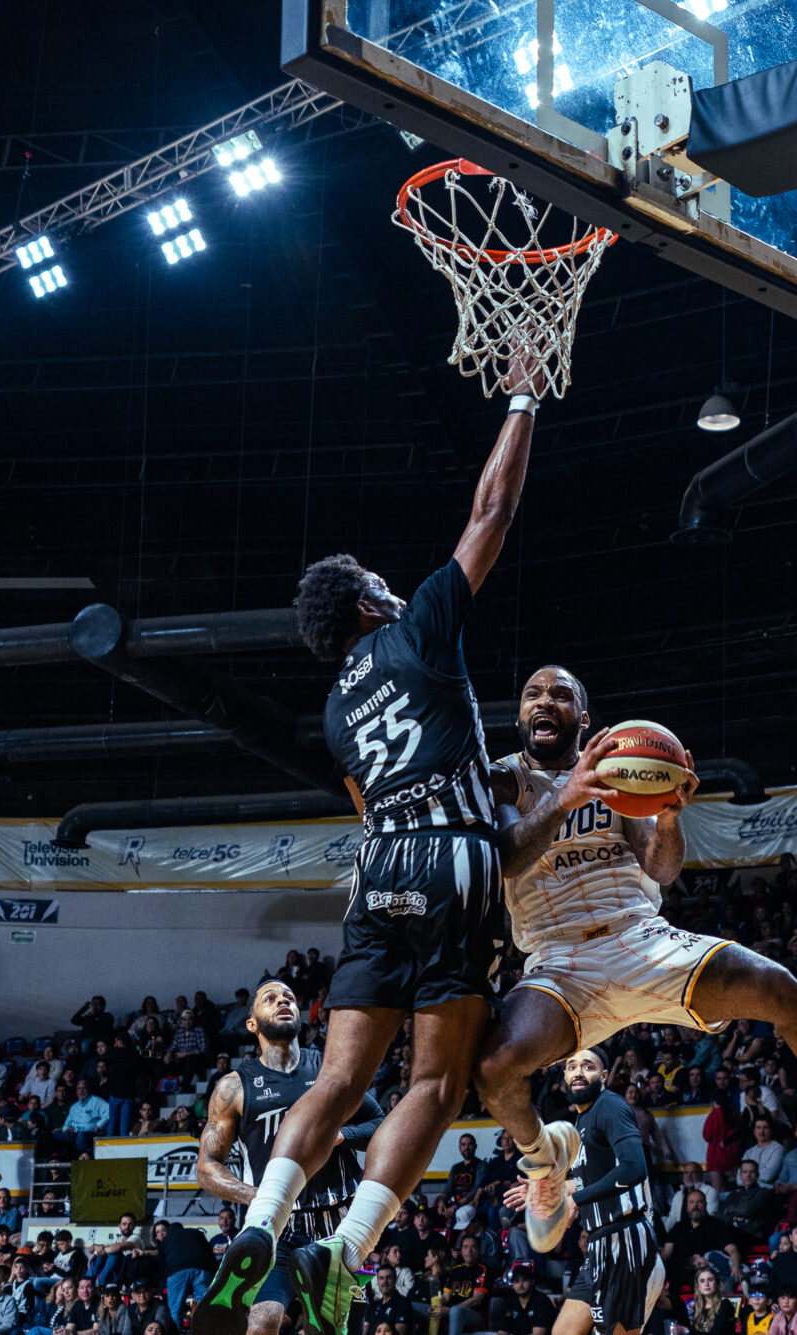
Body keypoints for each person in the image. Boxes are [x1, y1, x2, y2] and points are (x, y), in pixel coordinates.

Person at [192, 345, 548, 1335]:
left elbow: (366, 808)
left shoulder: (338, 715)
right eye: (383, 586)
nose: (399, 590)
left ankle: (262, 1224)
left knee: (340, 1078)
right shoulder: (418, 628)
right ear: (366, 607)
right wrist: (523, 396)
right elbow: (491, 517)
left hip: (378, 868)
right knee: (434, 1083)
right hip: (451, 859)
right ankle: (342, 1250)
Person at [474, 666, 797, 1255]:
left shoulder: (617, 775)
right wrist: (565, 797)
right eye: (532, 695)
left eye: (560, 695)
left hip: (640, 937)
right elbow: (505, 859)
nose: (543, 702)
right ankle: (543, 1162)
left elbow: (661, 868)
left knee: (777, 986)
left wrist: (671, 818)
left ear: (584, 717)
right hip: (559, 957)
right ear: (520, 715)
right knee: (495, 1067)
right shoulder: (501, 779)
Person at [193, 979, 383, 1335]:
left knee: (332, 1330)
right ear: (252, 1023)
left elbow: (382, 1126)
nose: (283, 1002)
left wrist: (342, 1135)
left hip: (337, 1225)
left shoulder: (332, 1070)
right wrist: (257, 1196)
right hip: (278, 1224)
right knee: (261, 1323)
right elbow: (206, 1167)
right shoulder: (233, 1086)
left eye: (290, 998)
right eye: (270, 999)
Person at [505, 1048, 664, 1335]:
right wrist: (549, 1187)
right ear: (564, 1077)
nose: (578, 1072)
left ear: (603, 1076)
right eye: (571, 1067)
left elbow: (633, 1168)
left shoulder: (610, 1107)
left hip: (626, 1242)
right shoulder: (582, 1122)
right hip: (599, 1246)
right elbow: (590, 1180)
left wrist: (572, 1201)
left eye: (588, 1066)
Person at [494, 1261, 555, 1335]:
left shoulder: (542, 1301)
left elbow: (538, 1334)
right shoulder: (509, 1302)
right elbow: (502, 1332)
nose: (521, 1285)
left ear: (532, 1281)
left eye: (525, 1280)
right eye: (516, 1281)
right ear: (512, 1284)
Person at [362, 1263, 413, 1335]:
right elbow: (365, 1330)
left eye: (388, 1277)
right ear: (378, 1281)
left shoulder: (403, 1303)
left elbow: (401, 1332)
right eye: (381, 1278)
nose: (385, 1281)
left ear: (395, 1279)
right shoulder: (373, 1306)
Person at [686, 1265, 734, 1335]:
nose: (706, 1284)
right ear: (698, 1286)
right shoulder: (696, 1308)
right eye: (702, 1281)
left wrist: (687, 1331)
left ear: (717, 1283)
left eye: (710, 1280)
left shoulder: (725, 1305)